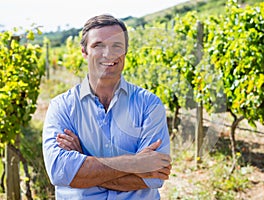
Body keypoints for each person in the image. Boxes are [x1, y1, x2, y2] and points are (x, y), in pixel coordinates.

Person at [42, 14, 172, 199]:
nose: (108, 54)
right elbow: (60, 172)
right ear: (84, 51)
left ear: (125, 51)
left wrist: (83, 165)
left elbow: (154, 177)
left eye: (116, 46)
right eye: (98, 45)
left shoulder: (149, 105)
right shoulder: (62, 107)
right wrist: (135, 164)